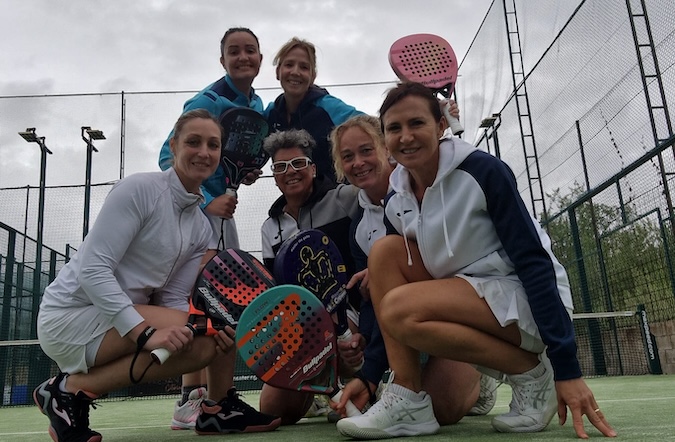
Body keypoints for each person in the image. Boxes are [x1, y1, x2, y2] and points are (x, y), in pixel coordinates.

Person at [336, 82, 617, 439]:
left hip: (524, 306)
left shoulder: (484, 172)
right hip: (466, 300)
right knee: (384, 254)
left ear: (440, 127)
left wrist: (567, 367)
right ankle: (407, 398)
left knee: (399, 308)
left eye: (416, 124)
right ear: (386, 138)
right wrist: (370, 374)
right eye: (394, 128)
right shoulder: (398, 198)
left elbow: (534, 263)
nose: (405, 137)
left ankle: (535, 374)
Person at [33, 109, 281, 442]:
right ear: (173, 145)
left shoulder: (199, 226)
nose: (204, 152)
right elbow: (93, 270)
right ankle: (70, 390)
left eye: (213, 144)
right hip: (69, 317)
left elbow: (173, 299)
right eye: (193, 142)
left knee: (209, 334)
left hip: (117, 322)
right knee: (204, 327)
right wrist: (146, 334)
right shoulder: (138, 189)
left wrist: (213, 330)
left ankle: (218, 409)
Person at [330, 114, 496, 424]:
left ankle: (483, 378)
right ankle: (401, 380)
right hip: (411, 323)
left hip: (461, 310)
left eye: (367, 150)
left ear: (385, 149)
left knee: (442, 409)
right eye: (347, 156)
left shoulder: (422, 189)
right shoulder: (358, 229)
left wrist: (390, 270)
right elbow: (371, 302)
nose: (358, 162)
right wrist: (365, 347)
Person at [157, 27, 266, 430]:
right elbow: (166, 158)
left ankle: (199, 400)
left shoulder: (256, 103)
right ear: (222, 60)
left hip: (223, 218)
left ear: (258, 58)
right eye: (234, 52)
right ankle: (200, 401)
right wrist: (206, 203)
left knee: (212, 303)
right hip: (201, 217)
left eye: (249, 51)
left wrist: (244, 174)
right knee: (210, 304)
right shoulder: (205, 101)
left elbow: (236, 156)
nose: (242, 57)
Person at [259, 128, 365, 424]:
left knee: (342, 345)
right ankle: (327, 390)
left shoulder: (345, 198)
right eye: (280, 167)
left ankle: (367, 384)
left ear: (313, 168)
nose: (289, 172)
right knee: (272, 409)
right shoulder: (270, 227)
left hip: (356, 313)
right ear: (274, 175)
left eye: (297, 164)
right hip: (302, 326)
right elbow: (278, 294)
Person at [265, 37, 363, 183]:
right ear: (278, 71)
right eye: (289, 65)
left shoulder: (328, 106)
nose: (295, 72)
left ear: (313, 76)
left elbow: (371, 128)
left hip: (337, 196)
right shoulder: (272, 113)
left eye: (304, 67)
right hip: (297, 196)